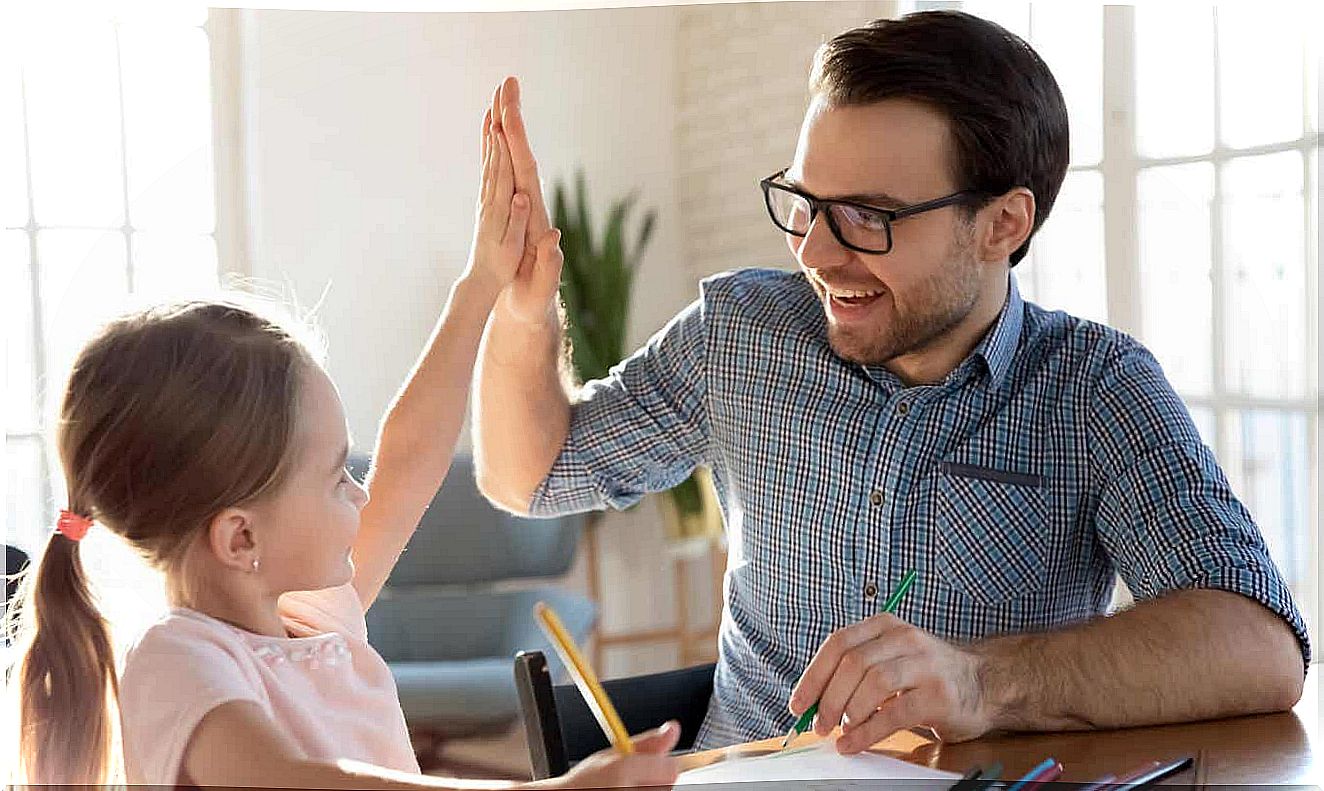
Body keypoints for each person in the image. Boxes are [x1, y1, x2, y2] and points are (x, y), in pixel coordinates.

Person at [472, 10, 1310, 755]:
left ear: (1002, 224)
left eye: (868, 216)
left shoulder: (1095, 389)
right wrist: (522, 309)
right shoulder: (738, 336)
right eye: (806, 201)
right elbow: (530, 475)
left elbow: (1259, 647)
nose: (814, 252)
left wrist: (978, 682)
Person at [5, 104, 680, 788]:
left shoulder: (312, 622)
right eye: (335, 479)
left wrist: (483, 283)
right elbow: (306, 781)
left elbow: (411, 456)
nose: (361, 492)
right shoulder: (179, 661)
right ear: (240, 539)